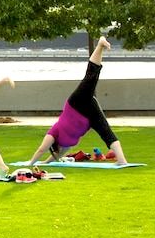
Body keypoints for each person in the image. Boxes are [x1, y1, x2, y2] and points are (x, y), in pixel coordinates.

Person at [26, 36, 128, 166]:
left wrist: (31, 163)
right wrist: (45, 163)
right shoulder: (65, 146)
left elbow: (42, 149)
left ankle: (100, 45)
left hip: (76, 104)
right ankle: (122, 160)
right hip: (88, 116)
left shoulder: (54, 133)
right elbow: (56, 156)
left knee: (90, 78)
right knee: (106, 132)